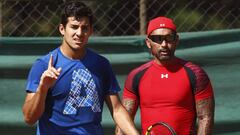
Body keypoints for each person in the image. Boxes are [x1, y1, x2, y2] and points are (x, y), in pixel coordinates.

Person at [22, 1, 139, 135]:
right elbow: (29, 118)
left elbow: (117, 109)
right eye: (74, 27)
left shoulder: (101, 64)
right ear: (62, 29)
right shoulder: (43, 65)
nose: (79, 33)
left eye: (84, 28)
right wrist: (43, 88)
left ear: (90, 31)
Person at [115, 16, 215, 135]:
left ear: (176, 40)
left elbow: (205, 118)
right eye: (157, 39)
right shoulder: (136, 76)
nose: (164, 44)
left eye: (169, 38)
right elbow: (124, 120)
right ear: (148, 42)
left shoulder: (196, 74)